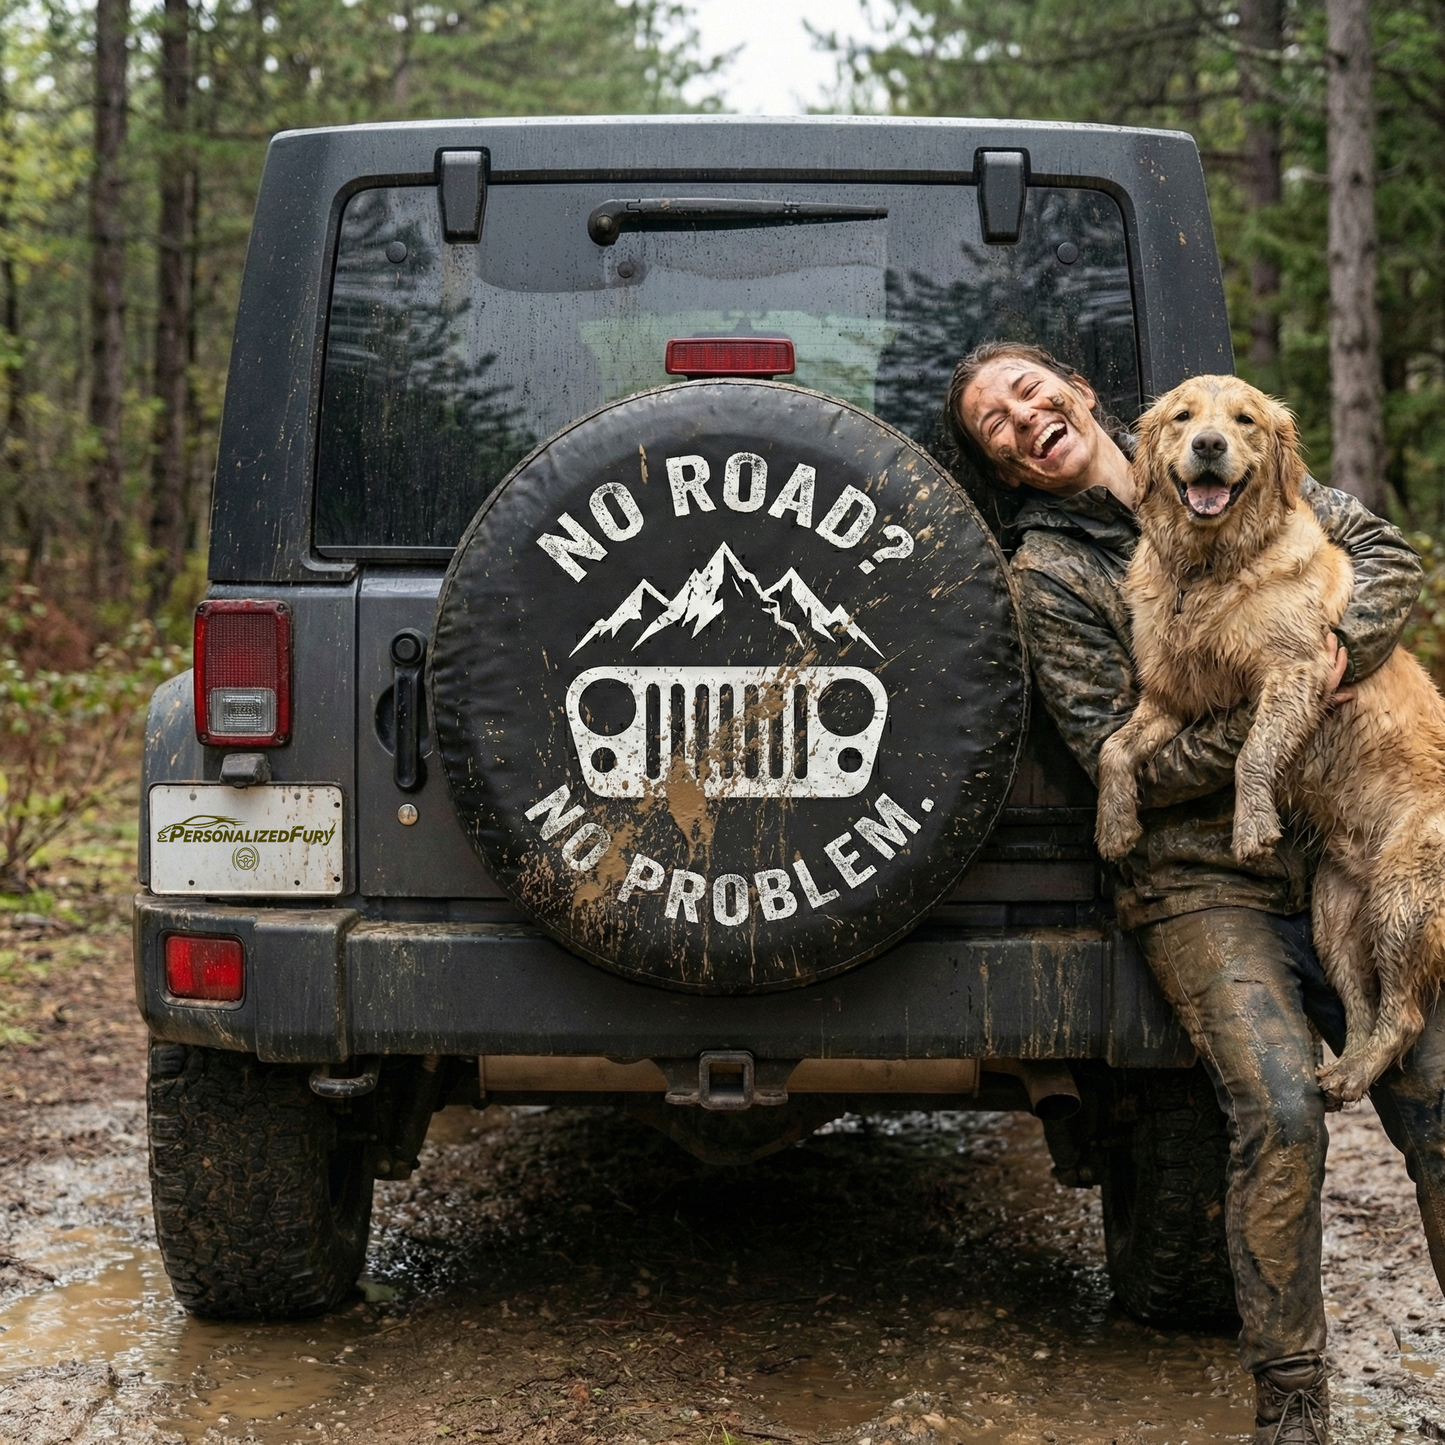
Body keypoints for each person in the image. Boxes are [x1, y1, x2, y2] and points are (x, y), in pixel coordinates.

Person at [947, 340, 1445, 1445]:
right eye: (994, 422)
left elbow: (1385, 560)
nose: (1024, 417)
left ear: (1081, 394)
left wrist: (1327, 660)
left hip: (1335, 841)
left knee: (1437, 1088)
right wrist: (1265, 720)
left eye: (1032, 391)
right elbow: (1116, 753)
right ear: (1004, 464)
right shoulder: (1048, 575)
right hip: (1193, 877)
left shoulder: (1251, 466)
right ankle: (1292, 1402)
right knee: (1276, 1105)